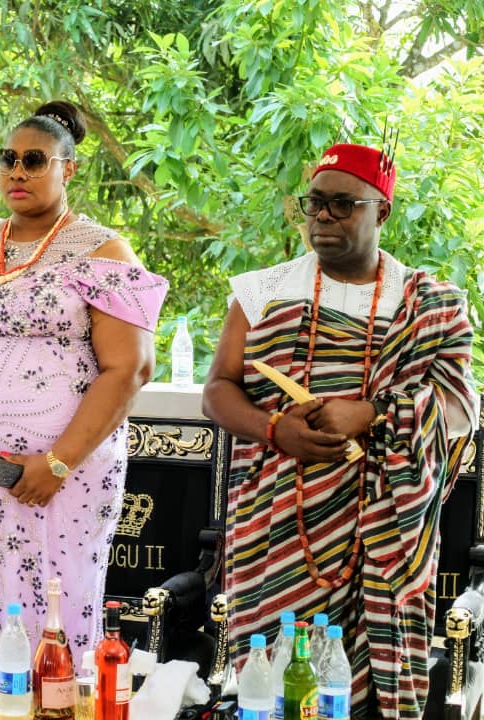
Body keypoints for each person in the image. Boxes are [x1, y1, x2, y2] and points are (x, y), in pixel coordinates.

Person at [202, 142, 478, 718]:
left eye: (343, 205)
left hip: (385, 526)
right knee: (274, 679)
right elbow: (218, 391)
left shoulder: (429, 304)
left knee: (367, 689)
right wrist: (275, 429)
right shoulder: (261, 291)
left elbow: (457, 409)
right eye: (315, 203)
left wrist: (372, 412)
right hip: (275, 525)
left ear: (383, 212)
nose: (323, 216)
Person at [0, 100, 168, 655]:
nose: (17, 172)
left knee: (58, 610)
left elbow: (131, 367)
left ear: (69, 169)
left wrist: (58, 463)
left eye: (34, 160)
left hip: (66, 474)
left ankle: (60, 700)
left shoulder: (103, 249)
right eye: (8, 159)